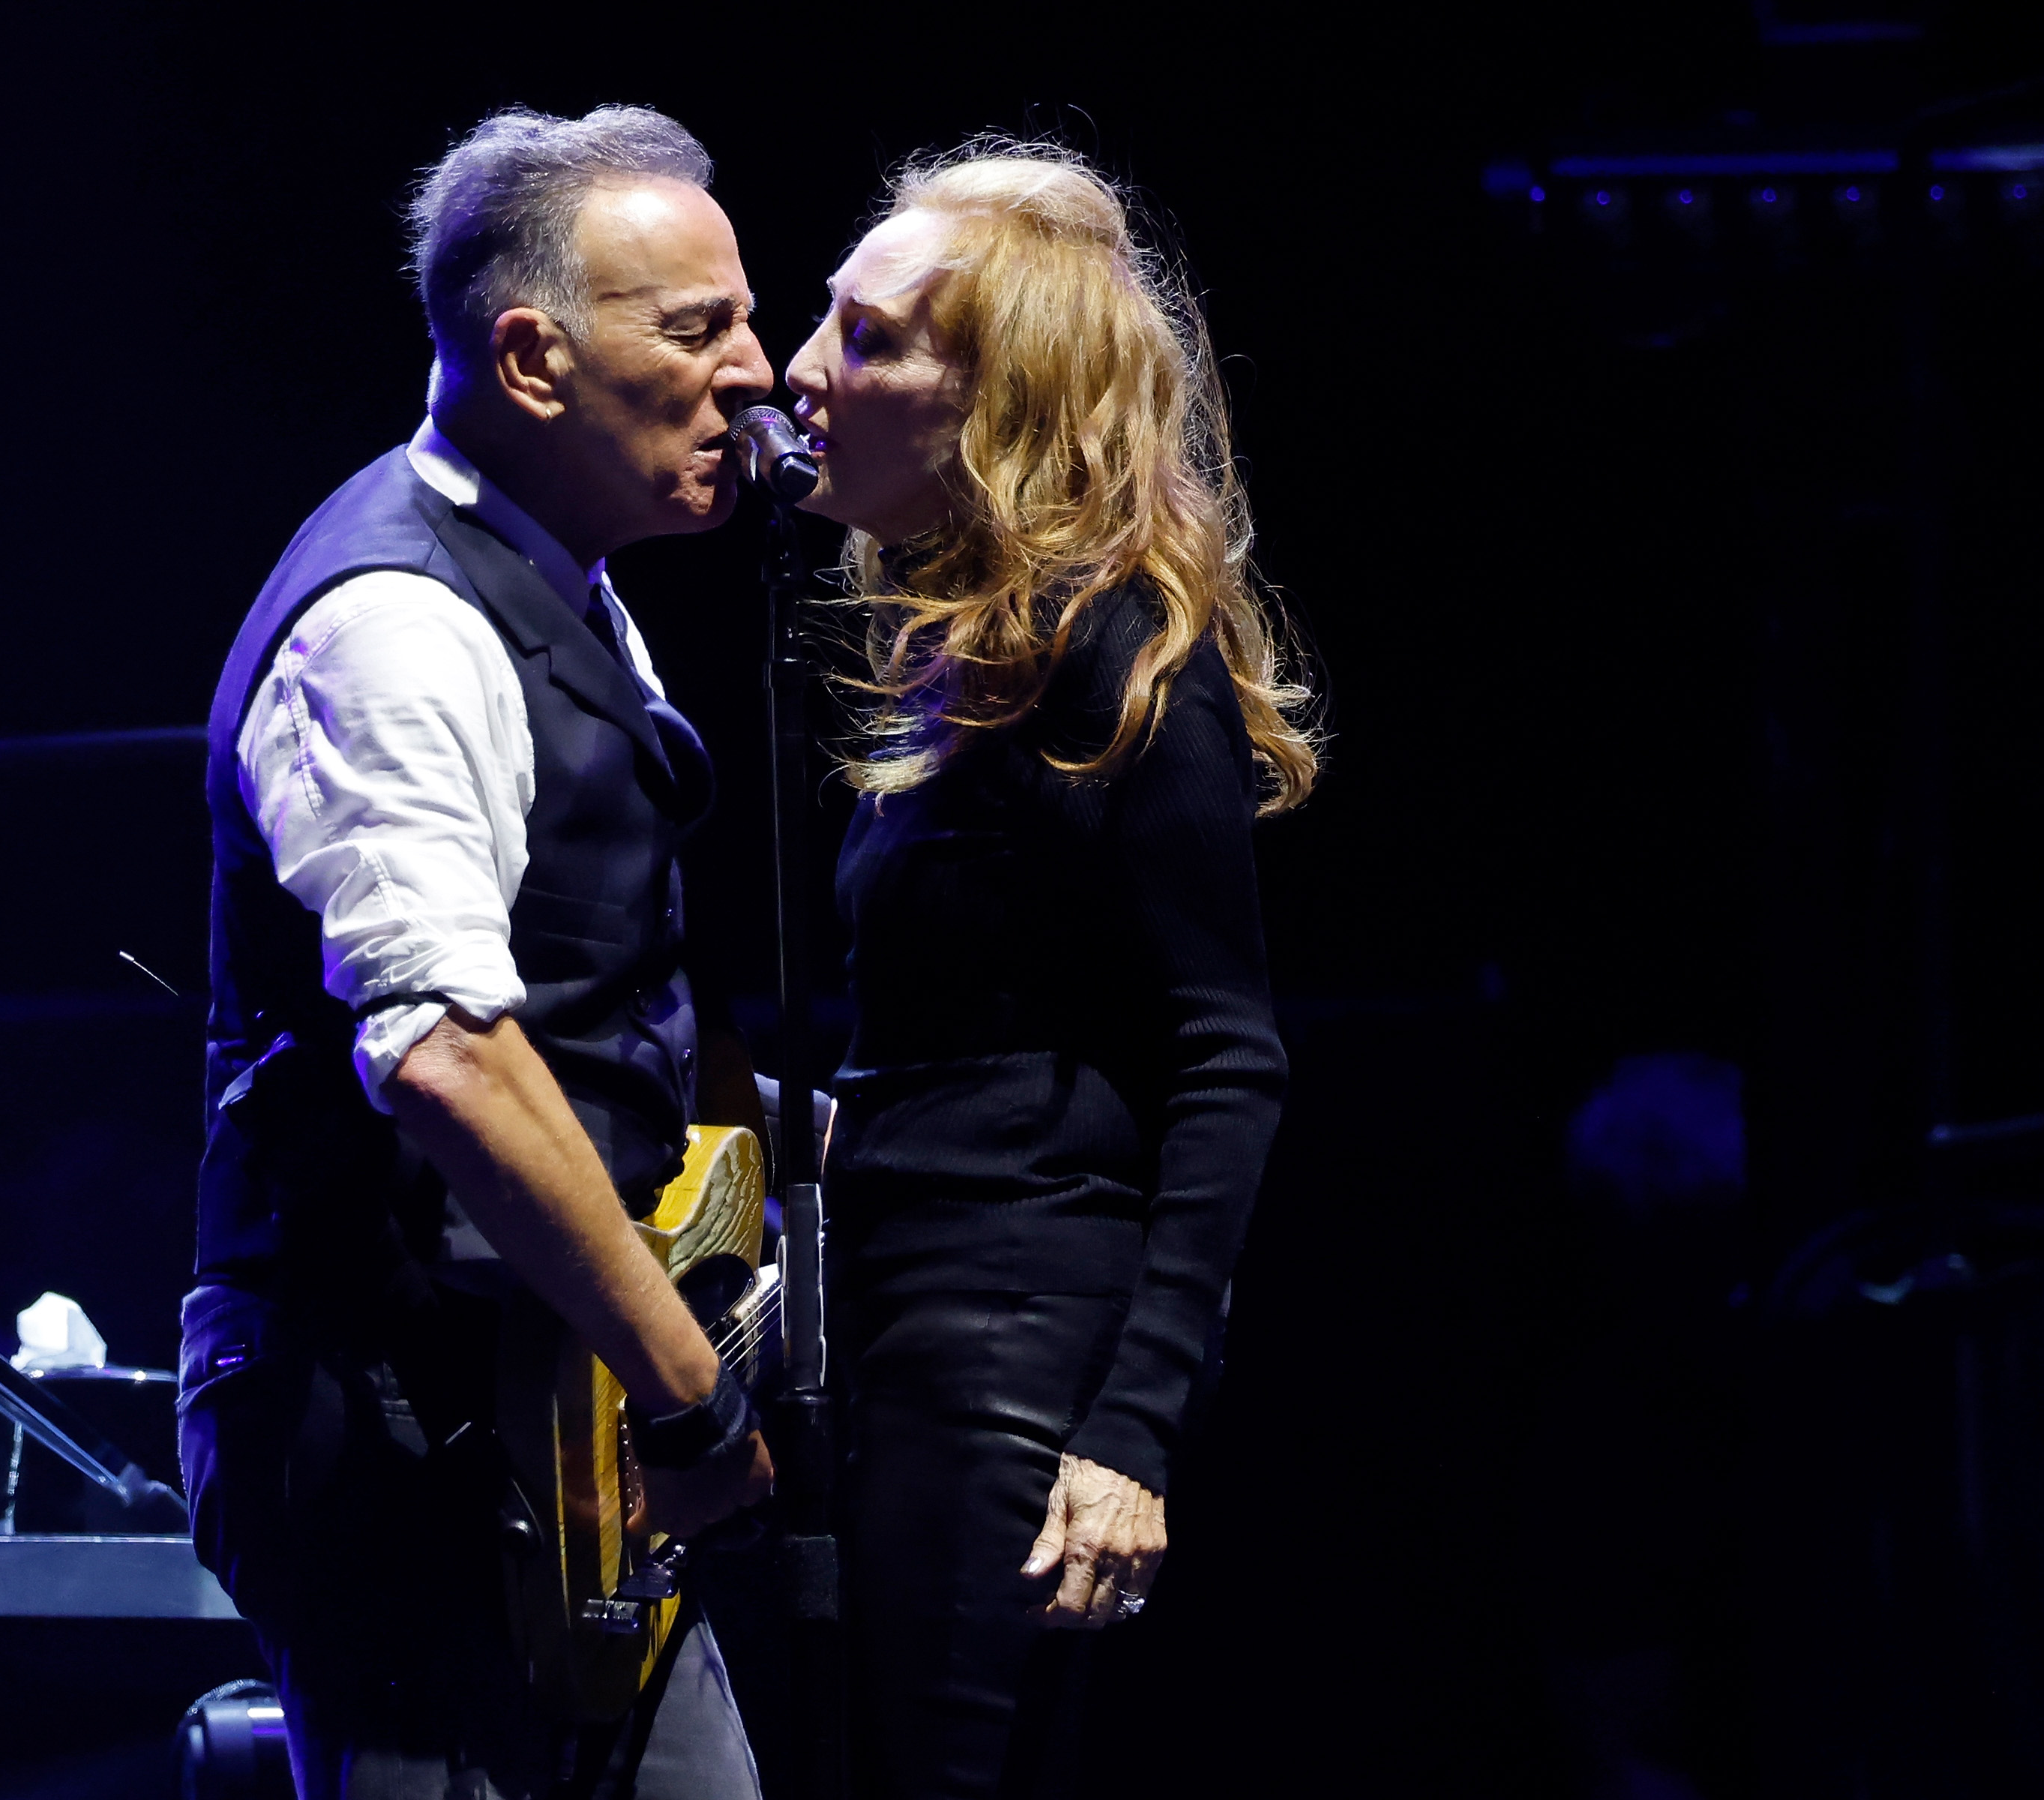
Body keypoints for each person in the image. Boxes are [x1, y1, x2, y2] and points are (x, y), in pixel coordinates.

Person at [179, 105, 777, 1799]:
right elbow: (441, 1048)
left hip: (552, 1411)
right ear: (530, 360)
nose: (761, 373)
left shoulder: (560, 582)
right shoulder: (397, 625)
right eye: (701, 329)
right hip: (406, 1434)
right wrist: (689, 1391)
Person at [781, 144, 1319, 1796]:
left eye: (869, 341)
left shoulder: (1122, 657)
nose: (803, 373)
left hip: (1007, 1342)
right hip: (917, 1319)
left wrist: (1129, 1436)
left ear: (997, 400)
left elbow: (1229, 1057)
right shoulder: (979, 659)